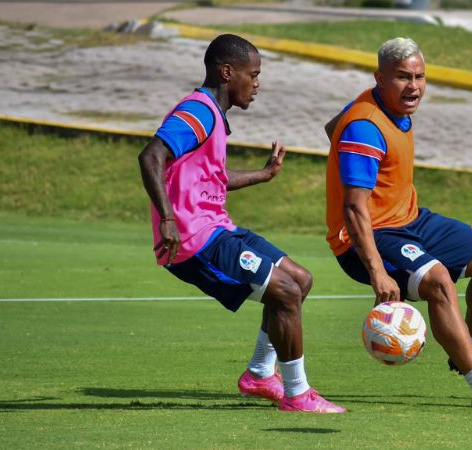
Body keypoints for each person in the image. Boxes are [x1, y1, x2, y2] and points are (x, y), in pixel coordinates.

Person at [138, 34, 345, 414]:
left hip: (218, 227)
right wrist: (167, 218)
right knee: (284, 291)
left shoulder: (213, 116)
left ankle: (260, 374)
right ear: (227, 71)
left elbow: (212, 176)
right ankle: (298, 395)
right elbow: (151, 156)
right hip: (193, 239)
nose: (257, 83)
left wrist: (263, 175)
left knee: (299, 280)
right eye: (254, 74)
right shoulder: (198, 111)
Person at [324, 37, 472, 411]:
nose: (413, 86)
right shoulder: (364, 128)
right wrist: (377, 272)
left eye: (419, 77)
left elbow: (333, 127)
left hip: (411, 220)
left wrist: (343, 137)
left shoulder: (380, 106)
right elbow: (352, 209)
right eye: (402, 77)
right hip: (367, 236)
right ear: (379, 78)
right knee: (438, 280)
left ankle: (470, 349)